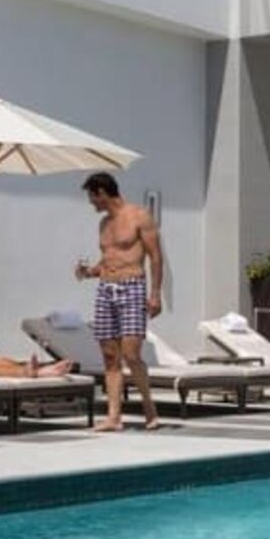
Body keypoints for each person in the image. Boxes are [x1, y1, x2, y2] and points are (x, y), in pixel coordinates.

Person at [73, 172, 164, 431]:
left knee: (131, 354)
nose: (92, 204)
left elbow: (155, 257)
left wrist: (155, 294)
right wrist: (89, 271)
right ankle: (114, 417)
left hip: (132, 286)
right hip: (105, 288)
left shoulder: (139, 216)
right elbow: (108, 258)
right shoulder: (103, 224)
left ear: (102, 192)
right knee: (109, 356)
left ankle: (149, 409)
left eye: (93, 198)